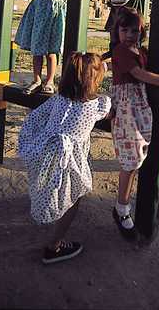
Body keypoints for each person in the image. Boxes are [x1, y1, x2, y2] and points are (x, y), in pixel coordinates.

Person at [18, 52, 111, 264]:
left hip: (45, 152)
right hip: (68, 159)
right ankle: (54, 246)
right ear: (93, 80)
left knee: (49, 188)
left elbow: (38, 116)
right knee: (72, 198)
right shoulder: (98, 104)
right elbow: (109, 111)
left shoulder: (59, 99)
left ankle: (47, 214)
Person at [111, 7, 159, 239]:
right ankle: (122, 209)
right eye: (125, 30)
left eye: (135, 30)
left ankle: (150, 181)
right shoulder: (121, 50)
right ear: (117, 31)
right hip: (126, 106)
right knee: (130, 160)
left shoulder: (140, 51)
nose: (130, 34)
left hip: (139, 104)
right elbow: (140, 75)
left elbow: (152, 69)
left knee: (144, 147)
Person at [8, 0, 69, 95]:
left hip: (54, 15)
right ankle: (36, 79)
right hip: (38, 13)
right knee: (36, 50)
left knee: (51, 51)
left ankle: (50, 81)